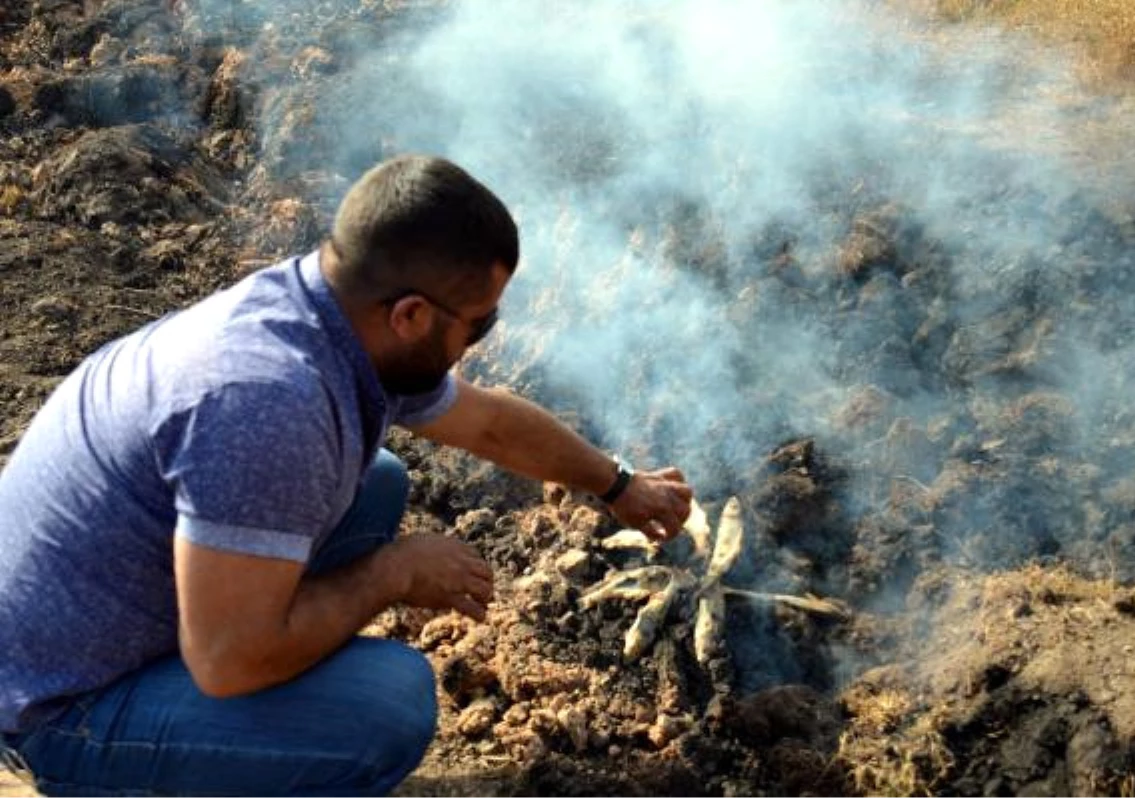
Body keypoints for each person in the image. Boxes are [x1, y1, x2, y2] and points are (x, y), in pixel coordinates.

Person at [0, 154, 694, 796]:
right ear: (412, 315)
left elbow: (487, 424)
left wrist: (618, 483)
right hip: (54, 704)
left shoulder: (327, 316)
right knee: (386, 704)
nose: (482, 341)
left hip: (98, 620)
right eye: (478, 326)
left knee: (379, 479)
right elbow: (227, 663)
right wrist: (392, 574)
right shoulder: (267, 405)